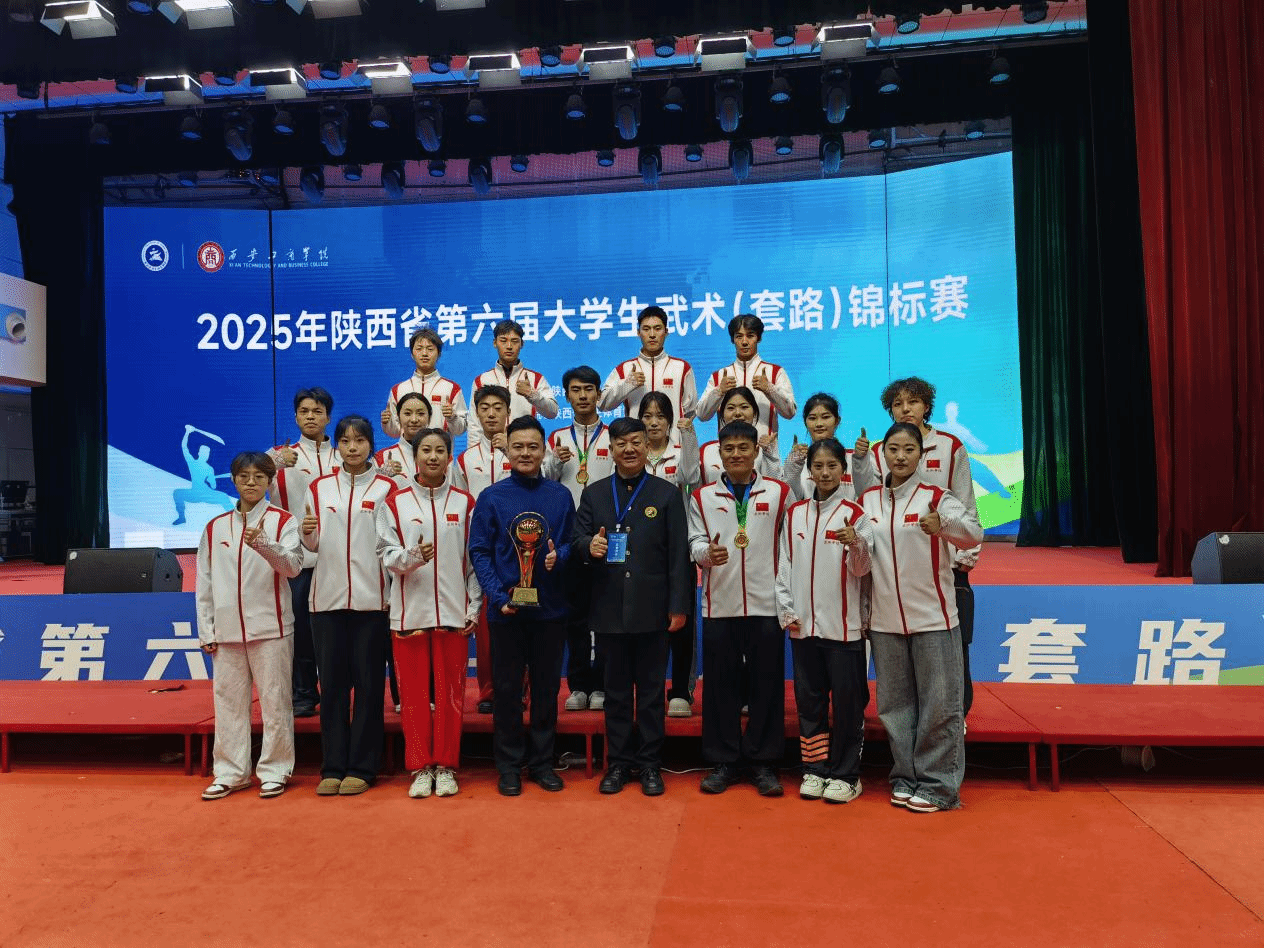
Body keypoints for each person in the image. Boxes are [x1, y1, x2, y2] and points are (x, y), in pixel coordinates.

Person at [859, 422, 982, 813]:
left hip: (934, 619)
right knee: (895, 708)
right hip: (885, 622)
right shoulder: (867, 501)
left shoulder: (936, 497)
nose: (900, 456)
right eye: (893, 449)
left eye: (908, 449)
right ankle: (905, 776)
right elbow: (861, 559)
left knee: (939, 706)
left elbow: (973, 533)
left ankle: (939, 786)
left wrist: (943, 525)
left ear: (920, 455)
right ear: (882, 455)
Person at [573, 417, 692, 796]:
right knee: (617, 694)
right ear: (610, 449)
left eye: (636, 442)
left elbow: (678, 556)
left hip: (653, 611)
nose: (629, 449)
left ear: (647, 446)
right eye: (622, 443)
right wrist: (588, 546)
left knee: (653, 694)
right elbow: (577, 539)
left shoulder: (666, 494)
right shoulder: (594, 494)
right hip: (609, 611)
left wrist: (678, 605)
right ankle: (619, 764)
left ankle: (651, 765)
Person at [853, 376, 981, 715]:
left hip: (944, 565)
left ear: (926, 406)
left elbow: (965, 503)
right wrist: (861, 462)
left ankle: (956, 715)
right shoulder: (882, 450)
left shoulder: (950, 446)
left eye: (912, 402)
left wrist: (964, 557)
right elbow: (870, 500)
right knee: (901, 673)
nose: (905, 409)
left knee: (951, 650)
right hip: (894, 568)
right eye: (897, 404)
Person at [468, 416, 575, 797]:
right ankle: (509, 766)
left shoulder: (560, 496)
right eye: (518, 447)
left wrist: (560, 556)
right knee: (508, 691)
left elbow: (571, 542)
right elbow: (479, 551)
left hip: (551, 609)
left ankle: (543, 763)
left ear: (544, 450)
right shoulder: (491, 497)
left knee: (546, 690)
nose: (525, 453)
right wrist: (498, 597)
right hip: (506, 611)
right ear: (506, 450)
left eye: (533, 446)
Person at [687, 420, 791, 797]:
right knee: (720, 686)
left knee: (766, 684)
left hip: (767, 605)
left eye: (743, 448)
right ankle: (724, 761)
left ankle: (764, 762)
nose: (735, 455)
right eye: (728, 449)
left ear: (756, 451)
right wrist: (706, 554)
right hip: (721, 604)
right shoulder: (702, 497)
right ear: (719, 453)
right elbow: (694, 541)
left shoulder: (779, 492)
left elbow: (790, 543)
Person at [377, 428, 481, 799]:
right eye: (426, 450)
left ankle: (446, 765)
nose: (433, 457)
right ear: (415, 457)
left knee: (451, 696)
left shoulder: (465, 503)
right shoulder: (394, 503)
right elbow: (386, 556)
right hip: (409, 615)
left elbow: (473, 561)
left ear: (450, 457)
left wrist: (473, 605)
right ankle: (420, 767)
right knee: (414, 698)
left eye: (440, 450)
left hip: (453, 614)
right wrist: (412, 557)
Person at [196, 452, 303, 801]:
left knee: (275, 702)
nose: (251, 482)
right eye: (244, 476)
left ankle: (275, 770)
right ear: (234, 480)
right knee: (228, 704)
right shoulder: (215, 527)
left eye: (259, 476)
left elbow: (293, 567)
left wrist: (263, 543)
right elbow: (204, 581)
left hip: (272, 628)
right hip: (227, 631)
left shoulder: (283, 521)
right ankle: (231, 772)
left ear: (270, 482)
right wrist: (207, 629)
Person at [302, 415, 396, 796]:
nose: (352, 447)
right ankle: (333, 766)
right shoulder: (319, 488)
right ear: (337, 445)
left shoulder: (388, 488)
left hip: (373, 602)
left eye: (359, 440)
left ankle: (363, 766)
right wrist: (307, 536)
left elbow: (391, 545)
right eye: (345, 441)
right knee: (333, 688)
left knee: (370, 688)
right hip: (326, 601)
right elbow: (310, 546)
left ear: (371, 444)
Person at [775, 438, 872, 804]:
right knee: (810, 704)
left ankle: (846, 775)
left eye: (832, 466)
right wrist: (787, 610)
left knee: (847, 706)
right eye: (818, 466)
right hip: (803, 629)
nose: (825, 472)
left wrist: (856, 543)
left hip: (844, 630)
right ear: (809, 471)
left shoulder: (856, 514)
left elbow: (863, 570)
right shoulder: (795, 514)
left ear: (843, 470)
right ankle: (814, 769)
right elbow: (784, 567)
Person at [543, 366, 613, 713]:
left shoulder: (614, 436)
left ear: (599, 394)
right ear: (567, 396)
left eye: (588, 389)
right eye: (575, 389)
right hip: (569, 537)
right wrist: (555, 464)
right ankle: (578, 685)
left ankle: (602, 684)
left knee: (606, 616)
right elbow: (543, 483)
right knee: (575, 617)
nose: (583, 395)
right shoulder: (556, 438)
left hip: (606, 536)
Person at [268, 387, 338, 718]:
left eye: (317, 411)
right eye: (304, 411)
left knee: (335, 634)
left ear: (328, 417)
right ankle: (304, 693)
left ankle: (336, 692)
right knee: (300, 633)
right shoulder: (278, 457)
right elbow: (246, 480)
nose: (311, 417)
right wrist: (273, 463)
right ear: (296, 417)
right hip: (297, 562)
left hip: (339, 561)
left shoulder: (343, 456)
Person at [451, 384, 514, 713]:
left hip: (519, 549)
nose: (491, 414)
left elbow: (542, 481)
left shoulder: (521, 450)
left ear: (508, 413)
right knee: (488, 626)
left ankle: (519, 690)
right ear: (476, 413)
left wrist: (510, 453)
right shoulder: (463, 459)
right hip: (482, 552)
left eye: (498, 408)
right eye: (485, 408)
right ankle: (489, 691)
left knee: (519, 619)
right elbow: (459, 504)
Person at [639, 391, 700, 718]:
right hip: (641, 554)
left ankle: (680, 690)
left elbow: (691, 477)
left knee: (682, 623)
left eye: (660, 416)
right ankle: (647, 687)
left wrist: (688, 437)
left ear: (670, 421)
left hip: (678, 551)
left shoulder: (680, 452)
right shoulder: (633, 453)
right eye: (647, 416)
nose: (653, 423)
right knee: (645, 625)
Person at [696, 314, 797, 441]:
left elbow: (790, 413)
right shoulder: (719, 376)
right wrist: (719, 391)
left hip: (765, 449)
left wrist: (769, 389)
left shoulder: (775, 372)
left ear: (758, 338)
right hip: (730, 450)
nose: (744, 342)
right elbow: (702, 415)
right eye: (739, 336)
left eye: (750, 336)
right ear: (733, 340)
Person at [597, 304, 698, 423]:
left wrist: (677, 431)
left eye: (657, 328)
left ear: (666, 332)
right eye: (646, 329)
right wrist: (626, 385)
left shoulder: (682, 368)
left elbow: (691, 410)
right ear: (638, 333)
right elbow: (602, 404)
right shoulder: (624, 369)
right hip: (636, 435)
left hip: (672, 435)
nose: (652, 335)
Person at [466, 319, 559, 444]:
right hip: (491, 448)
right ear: (495, 343)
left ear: (522, 344)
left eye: (514, 341)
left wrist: (533, 395)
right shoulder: (481, 380)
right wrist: (474, 451)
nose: (509, 346)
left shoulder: (535, 378)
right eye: (503, 341)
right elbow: (474, 423)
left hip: (524, 448)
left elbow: (553, 412)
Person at [381, 327, 467, 438]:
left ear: (439, 354)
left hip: (439, 448)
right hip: (409, 449)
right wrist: (387, 423)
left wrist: (452, 417)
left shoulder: (452, 388)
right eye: (419, 349)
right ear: (412, 354)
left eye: (430, 349)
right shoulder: (398, 390)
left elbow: (460, 430)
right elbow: (394, 432)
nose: (424, 353)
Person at [781, 392, 856, 503]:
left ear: (837, 421)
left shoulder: (855, 458)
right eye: (812, 418)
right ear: (805, 423)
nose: (819, 424)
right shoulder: (797, 461)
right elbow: (791, 499)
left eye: (825, 417)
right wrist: (793, 466)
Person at [699, 387, 782, 485]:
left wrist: (769, 453)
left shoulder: (765, 449)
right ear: (722, 414)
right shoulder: (706, 450)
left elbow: (775, 487)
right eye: (731, 408)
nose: (737, 413)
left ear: (754, 413)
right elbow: (692, 484)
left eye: (744, 407)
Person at [172, 424, 235, 525]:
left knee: (177, 493)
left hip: (201, 494)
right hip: (200, 494)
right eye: (206, 453)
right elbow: (213, 486)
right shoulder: (206, 468)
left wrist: (187, 433)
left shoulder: (195, 464)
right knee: (223, 497)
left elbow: (184, 447)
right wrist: (187, 432)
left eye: (207, 453)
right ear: (201, 453)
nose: (207, 455)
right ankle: (182, 518)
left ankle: (236, 520)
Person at [375, 392, 432, 490]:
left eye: (421, 414)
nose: (414, 420)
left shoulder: (443, 457)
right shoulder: (381, 458)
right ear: (398, 417)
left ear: (429, 418)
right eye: (407, 413)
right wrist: (382, 477)